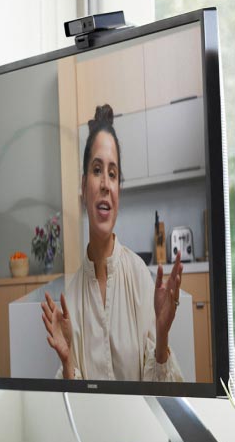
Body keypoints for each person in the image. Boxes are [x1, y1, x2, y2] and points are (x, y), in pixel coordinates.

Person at [41, 103, 185, 382]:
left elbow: (160, 398)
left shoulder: (141, 279)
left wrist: (163, 333)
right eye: (97, 170)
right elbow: (76, 407)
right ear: (83, 187)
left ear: (118, 189)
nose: (106, 184)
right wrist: (67, 358)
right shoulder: (71, 299)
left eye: (113, 173)